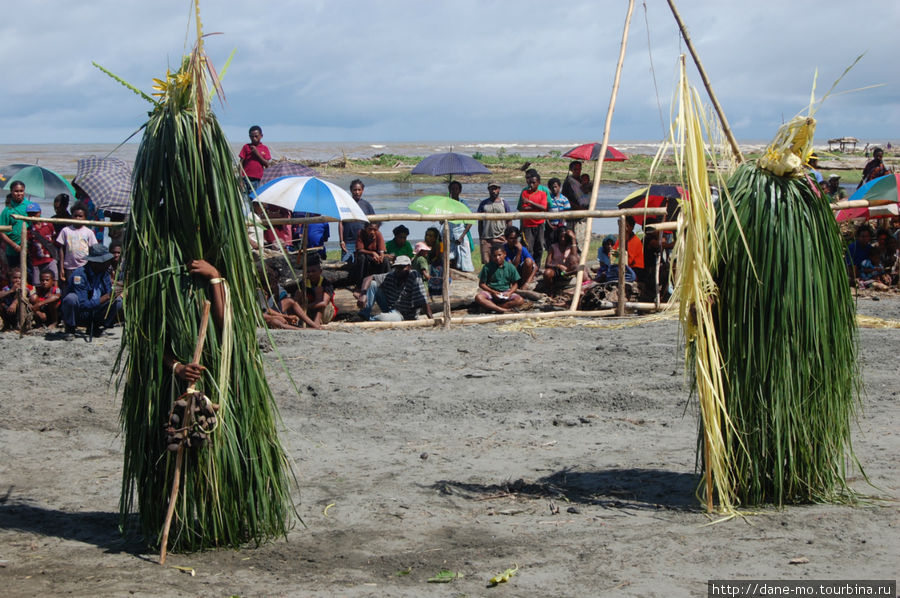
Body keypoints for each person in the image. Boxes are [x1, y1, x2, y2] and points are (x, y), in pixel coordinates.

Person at [59, 243, 123, 339]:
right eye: (105, 261)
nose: (108, 263)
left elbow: (108, 291)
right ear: (95, 263)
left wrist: (114, 293)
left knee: (117, 301)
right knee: (71, 299)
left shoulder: (105, 273)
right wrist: (107, 296)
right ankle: (70, 328)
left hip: (95, 311)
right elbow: (83, 304)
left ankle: (96, 327)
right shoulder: (80, 275)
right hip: (80, 313)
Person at [357, 255, 433, 321]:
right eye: (397, 268)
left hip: (403, 315)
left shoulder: (414, 276)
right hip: (390, 308)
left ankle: (371, 319)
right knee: (373, 284)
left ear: (409, 267)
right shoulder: (392, 276)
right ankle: (364, 315)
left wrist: (431, 319)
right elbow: (368, 278)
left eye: (402, 267)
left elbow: (423, 299)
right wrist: (363, 295)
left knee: (383, 318)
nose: (399, 271)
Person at [257, 263, 320, 330]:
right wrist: (279, 317)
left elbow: (267, 309)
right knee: (276, 321)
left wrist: (285, 316)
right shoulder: (260, 292)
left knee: (290, 301)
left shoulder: (273, 290)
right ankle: (300, 329)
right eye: (273, 283)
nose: (274, 284)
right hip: (260, 318)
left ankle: (315, 326)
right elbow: (259, 314)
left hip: (269, 312)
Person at [475, 245, 526, 314]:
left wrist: (509, 293)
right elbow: (481, 284)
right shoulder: (487, 267)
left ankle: (494, 307)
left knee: (520, 300)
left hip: (505, 292)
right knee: (479, 297)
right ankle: (502, 309)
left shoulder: (510, 267)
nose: (497, 258)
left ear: (504, 254)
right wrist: (493, 292)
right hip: (491, 292)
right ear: (491, 256)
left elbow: (515, 284)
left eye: (499, 255)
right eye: (494, 256)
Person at [56, 202, 98, 283]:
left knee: (80, 285)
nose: (77, 218)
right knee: (70, 285)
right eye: (75, 216)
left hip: (83, 266)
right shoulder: (66, 230)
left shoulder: (88, 232)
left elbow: (93, 249)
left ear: (85, 217)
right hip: (69, 266)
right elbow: (61, 249)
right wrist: (61, 267)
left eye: (80, 216)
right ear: (72, 216)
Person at [338, 179, 375, 261]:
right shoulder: (345, 204)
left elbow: (374, 223)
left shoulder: (366, 205)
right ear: (351, 190)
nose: (357, 192)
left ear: (362, 190)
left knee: (362, 263)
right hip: (348, 242)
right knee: (346, 264)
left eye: (359, 190)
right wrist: (341, 241)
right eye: (355, 190)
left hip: (363, 241)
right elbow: (341, 223)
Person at [517, 172, 548, 268]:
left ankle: (537, 267)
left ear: (538, 183)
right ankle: (529, 267)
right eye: (530, 183)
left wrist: (530, 202)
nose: (531, 185)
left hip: (540, 224)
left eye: (534, 183)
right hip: (528, 224)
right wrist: (536, 207)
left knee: (539, 247)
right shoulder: (525, 193)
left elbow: (543, 207)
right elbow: (523, 208)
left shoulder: (542, 194)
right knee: (528, 247)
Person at [476, 182, 512, 264]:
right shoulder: (483, 204)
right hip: (487, 238)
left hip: (501, 237)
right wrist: (481, 237)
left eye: (495, 188)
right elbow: (480, 222)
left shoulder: (504, 203)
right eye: (491, 189)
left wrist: (508, 236)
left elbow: (509, 220)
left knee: (501, 261)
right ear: (488, 190)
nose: (493, 191)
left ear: (499, 189)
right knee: (487, 262)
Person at [25, 203, 59, 285]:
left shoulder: (49, 225)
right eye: (30, 214)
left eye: (34, 213)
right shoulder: (28, 230)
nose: (32, 216)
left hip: (50, 259)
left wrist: (54, 256)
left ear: (39, 212)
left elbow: (54, 239)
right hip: (36, 261)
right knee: (37, 284)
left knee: (54, 280)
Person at [542, 227, 580, 296]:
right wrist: (558, 266)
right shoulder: (553, 247)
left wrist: (573, 239)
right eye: (561, 237)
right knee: (547, 273)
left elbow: (575, 258)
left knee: (579, 268)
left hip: (569, 271)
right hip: (557, 271)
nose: (563, 239)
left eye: (565, 237)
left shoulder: (571, 247)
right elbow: (547, 264)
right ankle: (551, 291)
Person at [446, 181, 474, 272]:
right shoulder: (446, 204)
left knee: (464, 257)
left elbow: (470, 221)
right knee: (449, 257)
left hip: (461, 232)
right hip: (449, 232)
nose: (454, 191)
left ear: (460, 190)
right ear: (449, 190)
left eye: (456, 189)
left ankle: (464, 274)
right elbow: (441, 222)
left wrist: (462, 236)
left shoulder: (463, 204)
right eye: (452, 189)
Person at [0, 181, 29, 268]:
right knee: (14, 275)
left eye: (21, 191)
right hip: (12, 251)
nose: (19, 193)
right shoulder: (7, 210)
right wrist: (15, 246)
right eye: (16, 191)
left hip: (29, 249)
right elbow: (1, 232)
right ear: (11, 192)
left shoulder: (30, 207)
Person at [302, 256, 336, 326]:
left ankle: (317, 321)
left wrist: (307, 306)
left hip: (325, 313)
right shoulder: (304, 283)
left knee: (319, 290)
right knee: (298, 293)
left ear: (320, 272)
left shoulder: (326, 283)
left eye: (313, 271)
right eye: (308, 272)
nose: (311, 274)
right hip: (310, 312)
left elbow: (324, 303)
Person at [238, 125, 271, 193]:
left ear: (261, 136)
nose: (254, 138)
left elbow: (267, 164)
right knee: (246, 200)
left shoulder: (264, 148)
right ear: (249, 136)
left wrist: (257, 153)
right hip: (246, 178)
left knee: (255, 199)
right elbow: (240, 164)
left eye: (256, 136)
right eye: (252, 136)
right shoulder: (246, 147)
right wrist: (240, 180)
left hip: (258, 179)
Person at [562, 161, 589, 243]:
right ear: (571, 170)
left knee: (582, 236)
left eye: (579, 169)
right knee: (572, 236)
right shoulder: (568, 182)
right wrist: (578, 208)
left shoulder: (583, 181)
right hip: (572, 213)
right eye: (575, 169)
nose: (578, 171)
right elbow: (565, 198)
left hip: (583, 213)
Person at [612, 216, 645, 280]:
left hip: (634, 270)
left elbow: (629, 260)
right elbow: (612, 255)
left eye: (626, 225)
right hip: (622, 267)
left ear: (631, 227)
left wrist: (617, 257)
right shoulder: (620, 240)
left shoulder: (635, 241)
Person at [545, 177, 571, 248]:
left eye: (556, 187)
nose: (554, 189)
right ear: (549, 188)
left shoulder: (564, 199)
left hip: (562, 227)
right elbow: (545, 212)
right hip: (551, 227)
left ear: (560, 187)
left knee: (563, 245)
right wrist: (550, 225)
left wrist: (561, 224)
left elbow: (567, 213)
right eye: (552, 187)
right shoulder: (547, 198)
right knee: (551, 246)